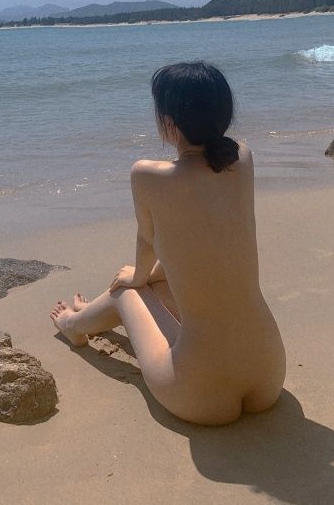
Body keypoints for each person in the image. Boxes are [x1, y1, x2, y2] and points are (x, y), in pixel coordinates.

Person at [50, 60, 286, 426]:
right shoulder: (241, 157)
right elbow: (199, 247)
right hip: (269, 375)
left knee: (126, 290)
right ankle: (90, 315)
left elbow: (147, 243)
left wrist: (137, 277)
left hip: (200, 393)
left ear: (169, 122)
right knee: (155, 281)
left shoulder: (148, 175)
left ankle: (74, 325)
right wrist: (148, 275)